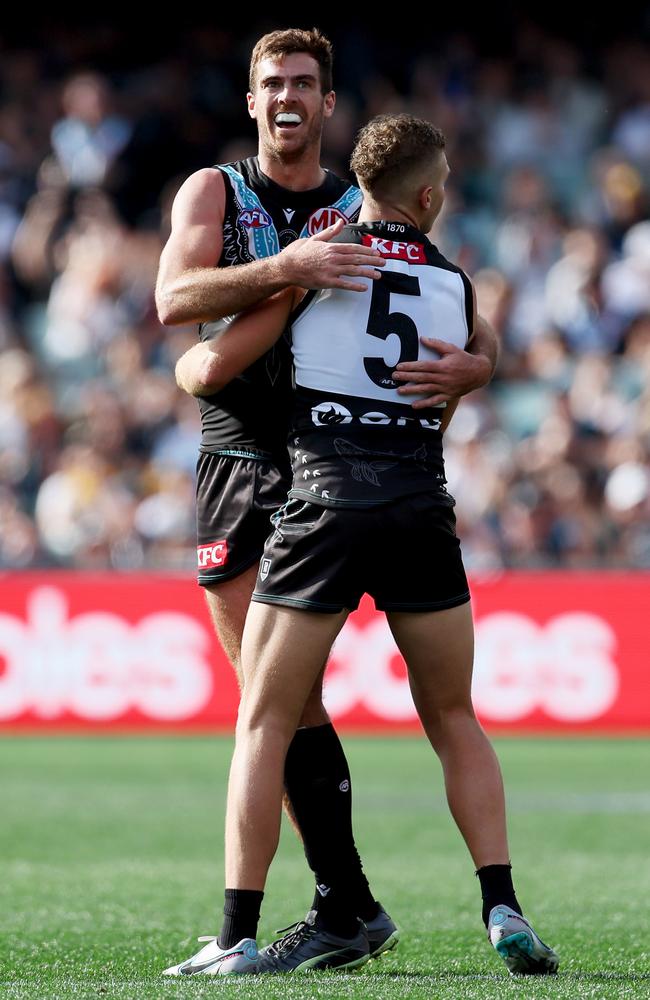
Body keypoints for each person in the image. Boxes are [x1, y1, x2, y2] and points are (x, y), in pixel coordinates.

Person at [163, 112, 560, 978]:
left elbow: (206, 370)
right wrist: (473, 374)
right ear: (428, 195)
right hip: (421, 508)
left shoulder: (322, 265)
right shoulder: (456, 284)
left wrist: (208, 363)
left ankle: (237, 933)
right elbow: (453, 389)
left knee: (265, 718)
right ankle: (502, 905)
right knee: (455, 717)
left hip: (324, 508)